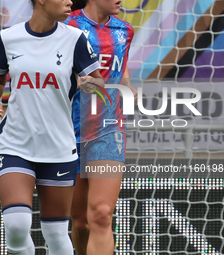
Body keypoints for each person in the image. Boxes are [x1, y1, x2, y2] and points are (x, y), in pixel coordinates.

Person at [0, 0, 102, 254]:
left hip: (58, 148)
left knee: (57, 235)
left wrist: (89, 85)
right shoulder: (8, 37)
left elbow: (98, 83)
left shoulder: (76, 39)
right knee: (16, 226)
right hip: (16, 145)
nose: (70, 1)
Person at [64, 1, 137, 254]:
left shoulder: (125, 30)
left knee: (102, 215)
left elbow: (121, 65)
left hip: (108, 128)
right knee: (81, 223)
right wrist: (76, 80)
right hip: (68, 130)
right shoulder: (67, 24)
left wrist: (127, 86)